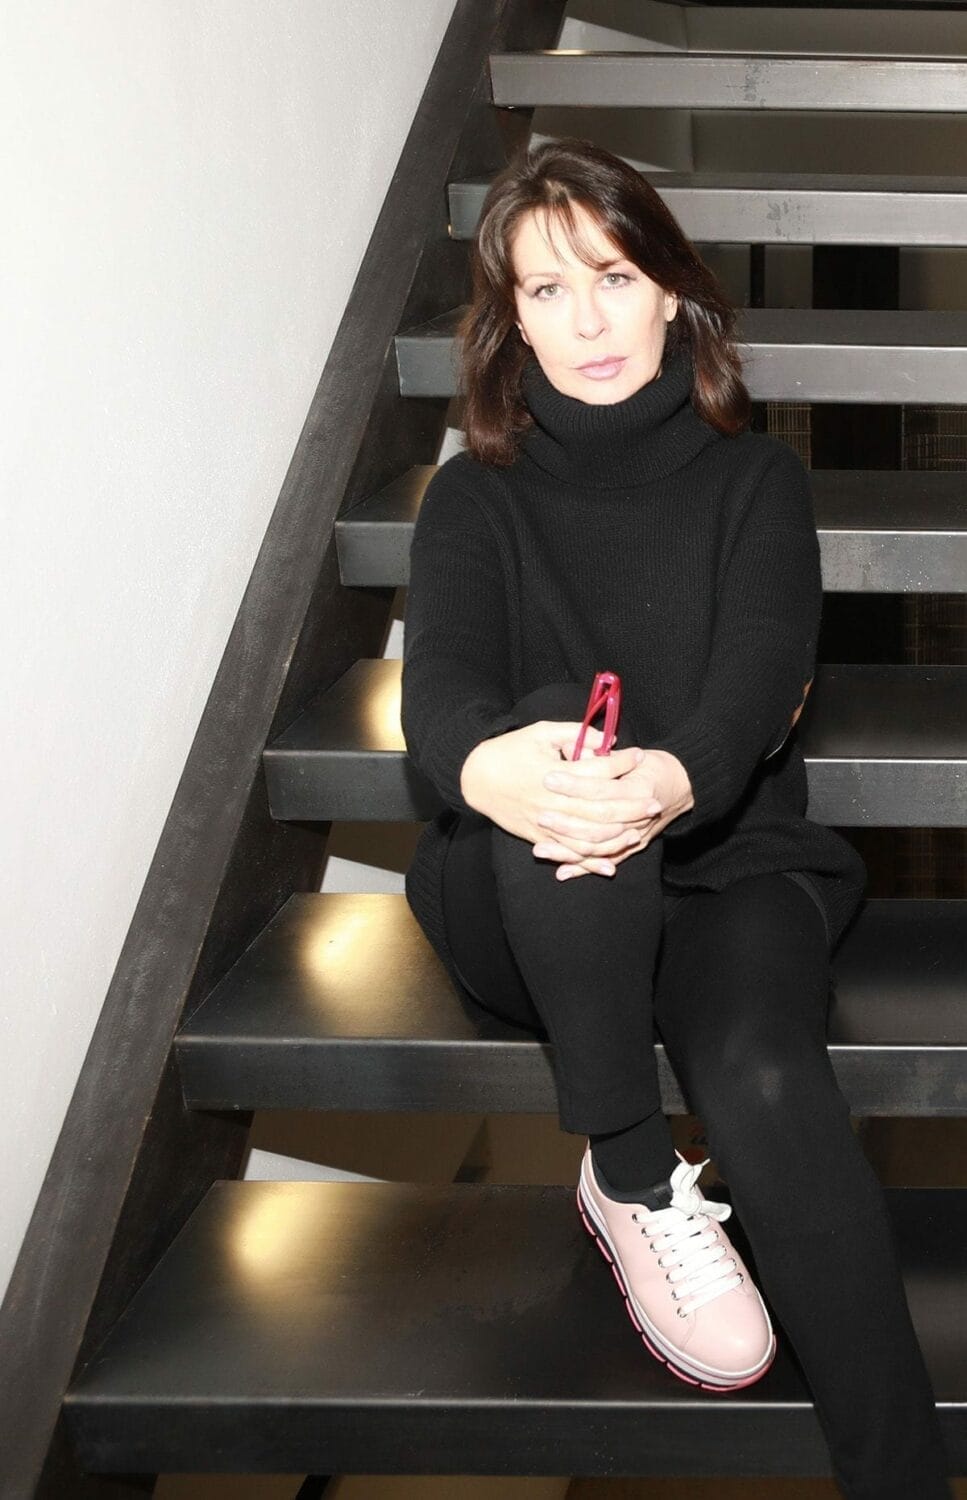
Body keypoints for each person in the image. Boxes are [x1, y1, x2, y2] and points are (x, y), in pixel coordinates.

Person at [400, 137, 951, 1499]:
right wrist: (507, 772)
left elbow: (759, 678)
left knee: (766, 1071)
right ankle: (634, 1175)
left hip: (725, 858)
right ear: (511, 321)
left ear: (671, 291)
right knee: (553, 734)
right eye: (546, 290)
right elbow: (441, 698)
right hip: (520, 890)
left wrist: (663, 783)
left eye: (613, 276)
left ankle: (902, 1479)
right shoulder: (473, 495)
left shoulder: (755, 482)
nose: (587, 321)